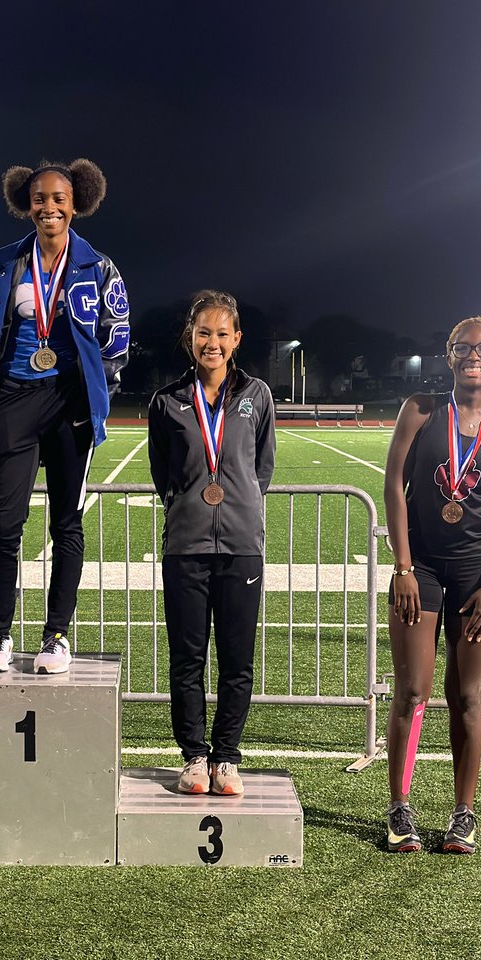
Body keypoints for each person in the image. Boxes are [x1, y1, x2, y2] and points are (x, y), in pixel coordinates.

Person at [0, 159, 129, 674]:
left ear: (77, 201)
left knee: (67, 524)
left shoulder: (100, 267)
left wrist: (94, 393)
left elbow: (117, 339)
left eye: (59, 199)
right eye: (39, 198)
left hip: (69, 403)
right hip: (16, 396)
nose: (49, 208)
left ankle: (56, 637)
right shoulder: (5, 265)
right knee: (5, 525)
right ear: (26, 203)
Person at [383, 316, 481, 853]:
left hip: (474, 574)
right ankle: (400, 808)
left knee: (467, 694)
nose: (475, 355)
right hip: (418, 566)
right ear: (449, 355)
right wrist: (402, 566)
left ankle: (463, 814)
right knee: (413, 689)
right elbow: (394, 485)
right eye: (464, 347)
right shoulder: (420, 410)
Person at [148, 291, 276, 797]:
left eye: (223, 333)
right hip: (186, 544)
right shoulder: (169, 400)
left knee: (237, 660)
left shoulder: (257, 395)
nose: (213, 342)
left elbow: (261, 468)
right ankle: (194, 756)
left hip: (242, 544)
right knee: (187, 657)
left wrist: (237, 503)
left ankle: (226, 757)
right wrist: (191, 506)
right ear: (191, 337)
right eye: (204, 332)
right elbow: (164, 472)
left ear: (237, 339)